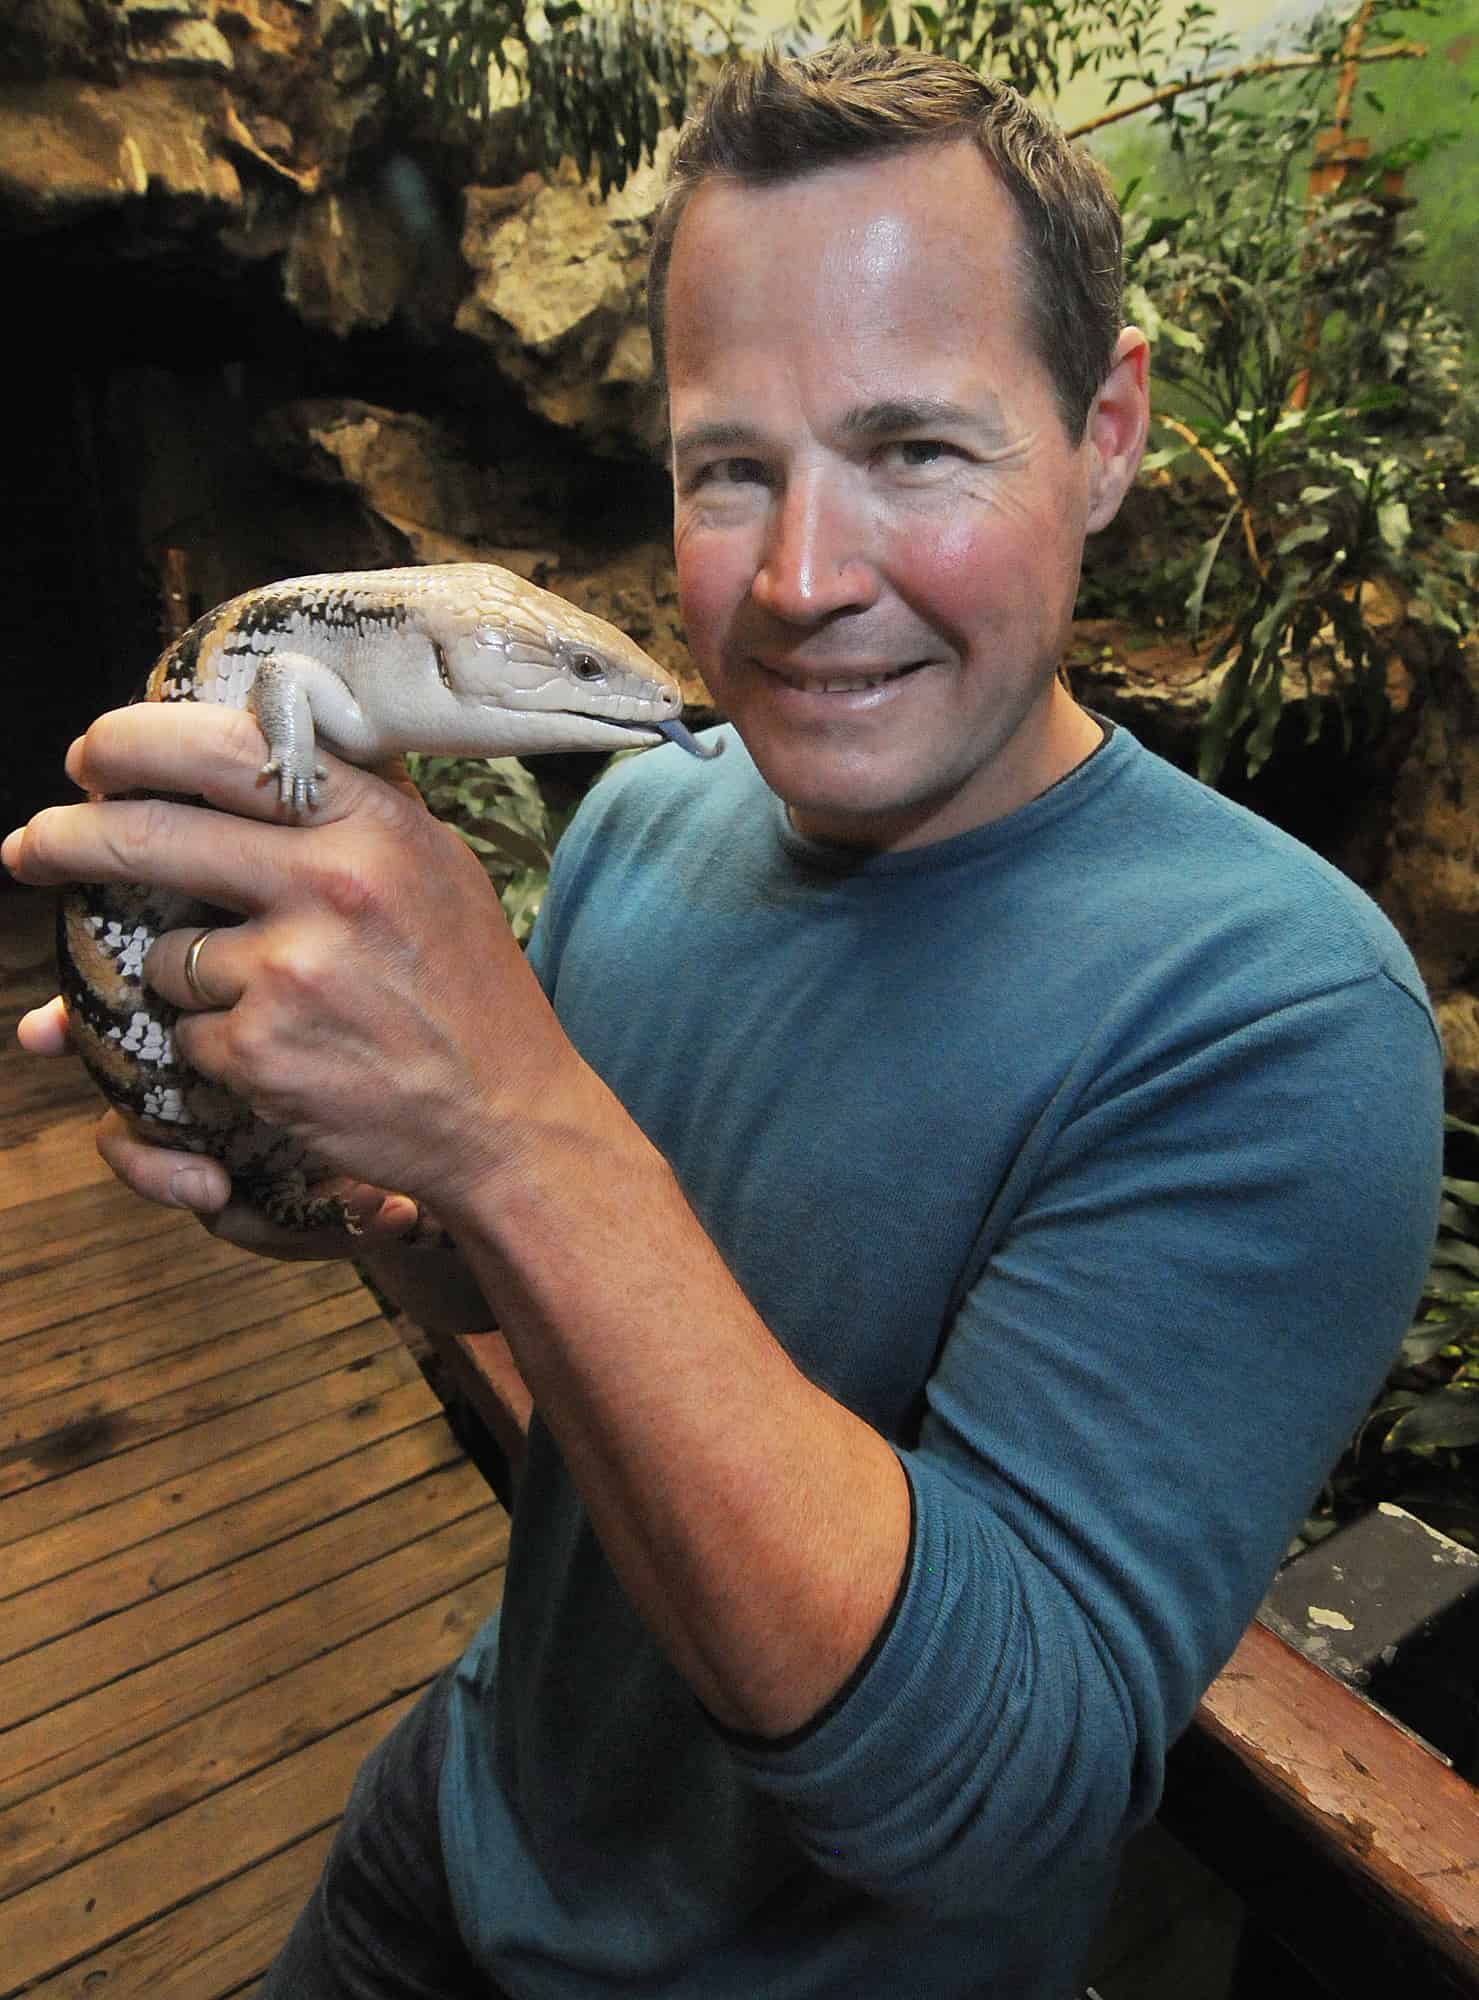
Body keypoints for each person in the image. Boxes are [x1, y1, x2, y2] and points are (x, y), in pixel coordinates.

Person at [4, 42, 1443, 2000]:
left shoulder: (1274, 1013)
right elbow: (557, 1310)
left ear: (1103, 431)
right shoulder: (659, 821)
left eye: (913, 448)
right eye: (723, 468)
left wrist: (504, 1111)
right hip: (450, 1822)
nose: (795, 580)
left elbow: (982, 1793)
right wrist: (373, 1181)